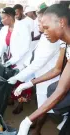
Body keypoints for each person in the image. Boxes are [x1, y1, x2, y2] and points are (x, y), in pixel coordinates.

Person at [16, 4, 70, 135]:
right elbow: (57, 71)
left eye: (47, 27)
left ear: (61, 22)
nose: (44, 32)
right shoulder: (66, 44)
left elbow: (61, 91)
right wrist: (31, 83)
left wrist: (27, 121)